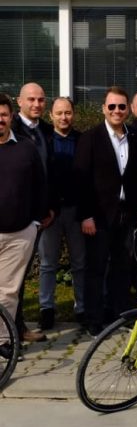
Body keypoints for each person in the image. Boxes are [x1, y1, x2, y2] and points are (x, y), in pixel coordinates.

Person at [74, 86, 137, 336]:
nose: (117, 110)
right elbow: (81, 180)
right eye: (112, 106)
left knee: (123, 267)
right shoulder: (90, 138)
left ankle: (119, 316)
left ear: (128, 110)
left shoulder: (135, 136)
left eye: (121, 106)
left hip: (127, 214)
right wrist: (85, 215)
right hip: (99, 215)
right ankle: (93, 319)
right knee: (96, 268)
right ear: (104, 108)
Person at [0, 93, 47, 356]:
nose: (0, 119)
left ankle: (3, 341)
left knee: (8, 291)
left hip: (19, 234)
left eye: (3, 115)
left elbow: (40, 186)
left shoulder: (26, 147)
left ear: (10, 117)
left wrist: (35, 222)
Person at [37, 97, 85, 330]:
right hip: (51, 213)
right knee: (48, 263)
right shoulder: (43, 141)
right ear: (51, 115)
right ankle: (46, 308)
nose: (64, 117)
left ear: (73, 114)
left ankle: (81, 307)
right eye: (59, 113)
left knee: (79, 262)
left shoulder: (83, 140)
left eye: (67, 113)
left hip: (76, 210)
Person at [12, 82, 54, 342]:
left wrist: (49, 208)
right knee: (10, 278)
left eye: (41, 99)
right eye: (31, 99)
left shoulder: (46, 131)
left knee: (20, 276)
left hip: (38, 215)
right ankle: (12, 331)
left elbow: (49, 173)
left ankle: (16, 328)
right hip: (15, 215)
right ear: (19, 102)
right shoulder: (10, 130)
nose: (37, 104)